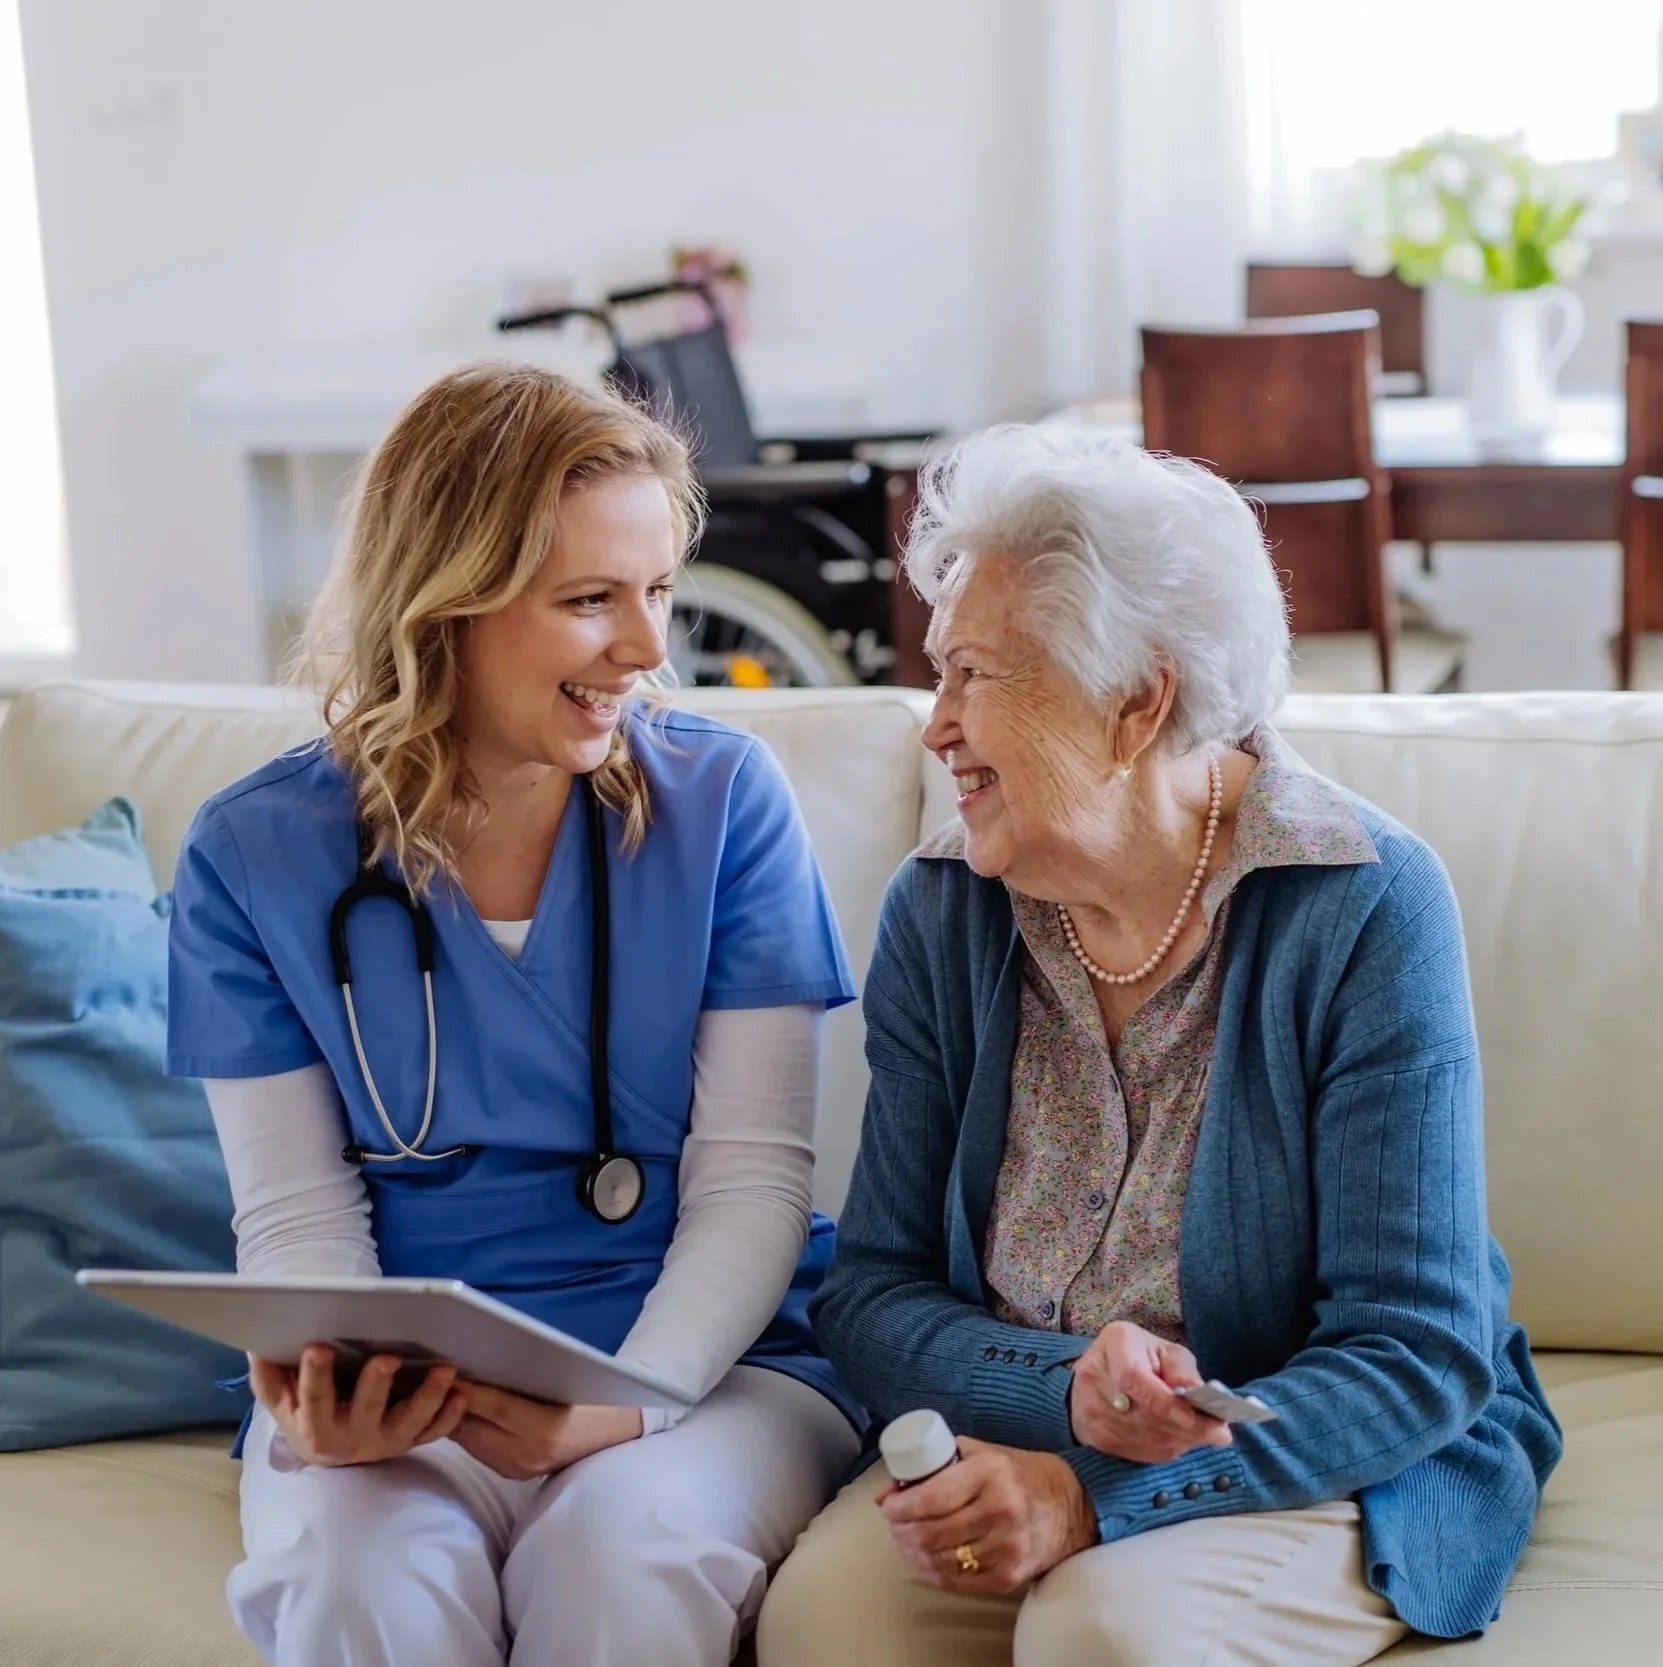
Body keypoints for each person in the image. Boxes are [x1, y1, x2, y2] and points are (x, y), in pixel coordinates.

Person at [757, 425, 1562, 1667]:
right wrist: (1062, 1393)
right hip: (1014, 1433)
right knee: (825, 1621)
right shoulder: (946, 909)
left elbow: (1414, 1348)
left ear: (1137, 702)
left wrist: (1095, 1493)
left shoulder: (1363, 904)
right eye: (937, 674)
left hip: (1315, 1444)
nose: (938, 725)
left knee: (1104, 1630)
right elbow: (869, 1294)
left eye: (974, 674)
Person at [166, 364, 862, 1667]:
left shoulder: (723, 804)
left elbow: (754, 1180)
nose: (649, 648)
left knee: (626, 1555)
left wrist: (620, 1402)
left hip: (703, 1370)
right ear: (445, 600)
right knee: (358, 1573)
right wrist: (344, 1402)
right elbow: (297, 1212)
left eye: (654, 589)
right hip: (400, 1390)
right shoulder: (257, 851)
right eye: (590, 599)